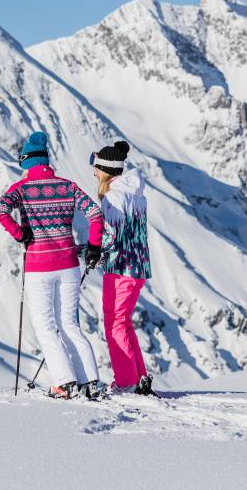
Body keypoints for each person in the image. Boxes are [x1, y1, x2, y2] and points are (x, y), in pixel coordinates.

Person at [0, 132, 105, 399]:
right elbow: (95, 214)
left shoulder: (20, 190)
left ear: (27, 163)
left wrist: (21, 233)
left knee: (45, 326)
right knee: (70, 324)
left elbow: (0, 211)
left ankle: (64, 383)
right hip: (68, 263)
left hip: (39, 267)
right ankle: (90, 382)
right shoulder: (67, 186)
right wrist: (93, 246)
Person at [90, 141, 154, 395]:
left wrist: (89, 251)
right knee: (123, 323)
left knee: (115, 324)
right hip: (138, 267)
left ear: (106, 169)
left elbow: (111, 236)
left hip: (121, 268)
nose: (93, 172)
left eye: (96, 167)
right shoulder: (136, 195)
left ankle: (127, 381)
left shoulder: (114, 198)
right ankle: (138, 378)